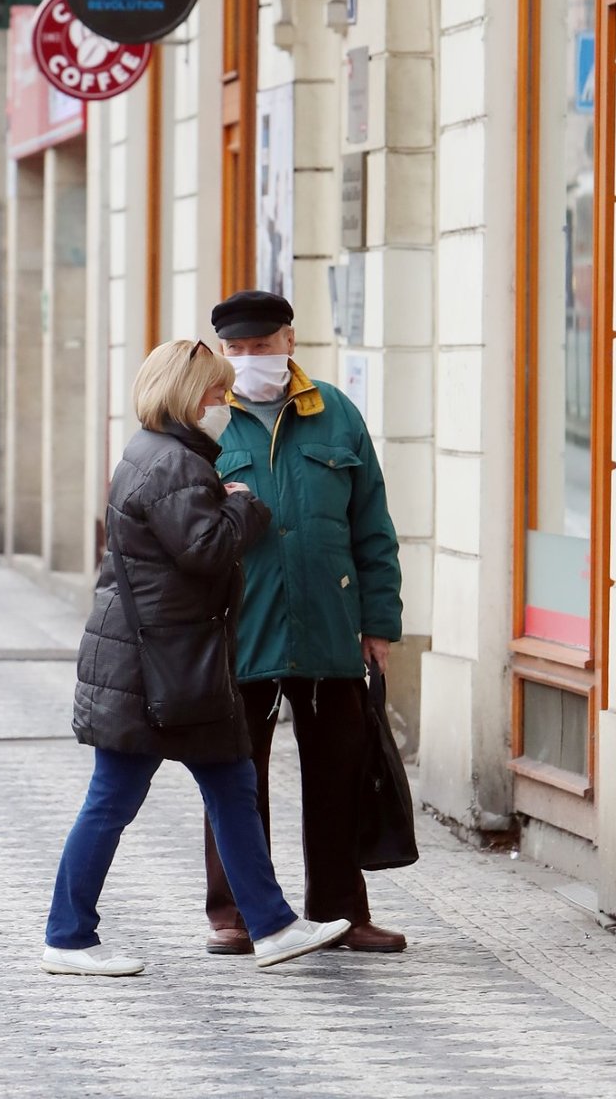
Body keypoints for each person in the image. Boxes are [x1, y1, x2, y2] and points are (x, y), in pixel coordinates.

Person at [40, 339, 350, 975]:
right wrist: (243, 504)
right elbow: (206, 551)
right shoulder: (174, 466)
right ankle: (68, 936)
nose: (224, 406)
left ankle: (270, 926)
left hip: (164, 661)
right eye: (216, 394)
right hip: (158, 667)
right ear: (187, 397)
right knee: (116, 798)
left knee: (230, 784)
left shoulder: (153, 453)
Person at [204, 290, 408, 955]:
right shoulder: (207, 422)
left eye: (259, 347)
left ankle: (342, 909)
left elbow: (371, 524)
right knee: (235, 774)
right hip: (238, 627)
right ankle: (235, 911)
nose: (247, 360)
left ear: (289, 341)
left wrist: (378, 622)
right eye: (234, 350)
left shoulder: (335, 413)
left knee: (337, 772)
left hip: (328, 623)